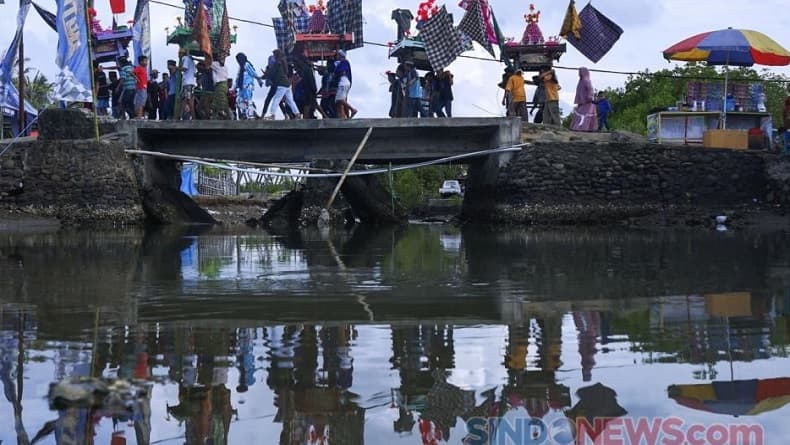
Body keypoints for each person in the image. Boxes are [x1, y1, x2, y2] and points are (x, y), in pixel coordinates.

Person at [266, 49, 300, 120]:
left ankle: (272, 115)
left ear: (276, 54)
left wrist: (263, 76)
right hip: (287, 83)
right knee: (290, 100)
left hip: (282, 84)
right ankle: (297, 114)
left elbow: (272, 72)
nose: (273, 56)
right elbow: (286, 72)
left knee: (276, 99)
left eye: (274, 54)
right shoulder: (283, 61)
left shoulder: (277, 62)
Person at [235, 52, 261, 120]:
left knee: (248, 100)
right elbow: (237, 78)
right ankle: (250, 112)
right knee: (239, 101)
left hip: (248, 86)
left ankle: (250, 114)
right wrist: (234, 87)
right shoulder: (240, 67)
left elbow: (253, 73)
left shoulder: (247, 65)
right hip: (242, 87)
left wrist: (259, 80)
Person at [570, 67, 597, 132]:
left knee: (584, 115)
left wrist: (589, 97)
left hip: (587, 101)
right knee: (581, 114)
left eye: (580, 72)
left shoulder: (586, 80)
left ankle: (584, 127)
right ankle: (581, 127)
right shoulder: (581, 81)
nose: (579, 74)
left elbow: (590, 89)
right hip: (582, 101)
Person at [333, 50, 357, 119]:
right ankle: (342, 117)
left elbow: (342, 72)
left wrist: (335, 74)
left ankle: (352, 109)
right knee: (339, 103)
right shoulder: (343, 63)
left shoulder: (344, 62)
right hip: (344, 83)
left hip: (343, 83)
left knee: (339, 99)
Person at [179, 48, 197, 120]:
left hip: (187, 84)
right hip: (191, 83)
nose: (178, 55)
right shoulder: (192, 61)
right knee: (188, 101)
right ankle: (189, 117)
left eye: (179, 53)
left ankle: (191, 118)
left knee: (187, 101)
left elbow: (184, 69)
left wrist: (176, 68)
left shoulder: (185, 58)